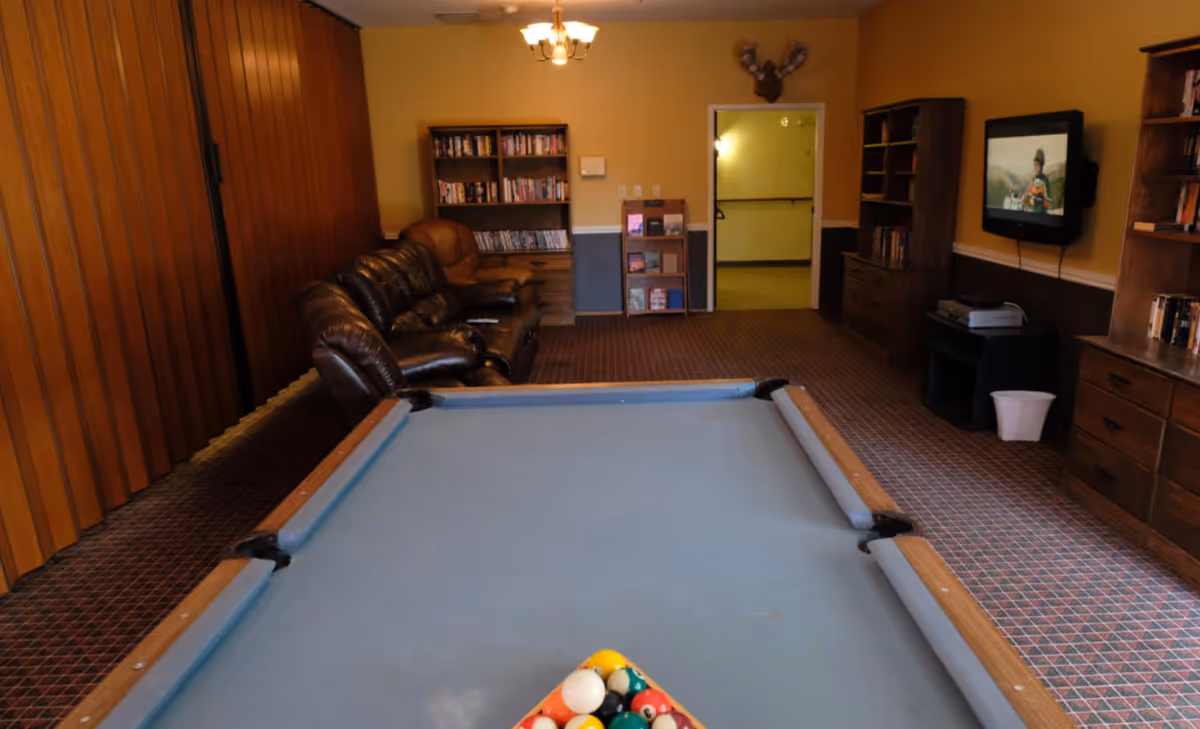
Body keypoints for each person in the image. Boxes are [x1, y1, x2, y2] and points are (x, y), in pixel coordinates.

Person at [1021, 148, 1052, 214]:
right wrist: (1023, 199)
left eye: (1037, 165)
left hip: (1041, 212)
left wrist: (1042, 199)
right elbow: (1029, 192)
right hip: (1034, 209)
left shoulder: (1045, 179)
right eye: (1034, 165)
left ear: (1041, 166)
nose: (1035, 167)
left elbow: (1049, 199)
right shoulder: (1034, 179)